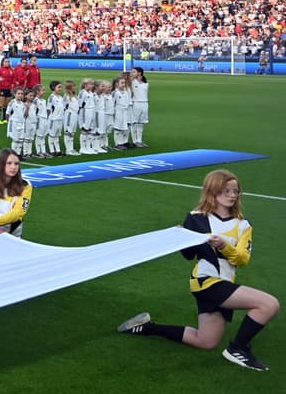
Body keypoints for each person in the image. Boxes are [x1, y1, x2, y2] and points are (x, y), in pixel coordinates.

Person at [117, 169, 279, 371]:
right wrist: (179, 237)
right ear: (213, 191)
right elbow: (188, 255)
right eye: (226, 190)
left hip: (225, 283)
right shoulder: (196, 218)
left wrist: (222, 246)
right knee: (269, 304)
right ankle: (238, 349)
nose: (231, 195)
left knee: (205, 341)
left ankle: (147, 327)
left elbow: (243, 258)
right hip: (205, 282)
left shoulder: (243, 224)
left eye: (235, 191)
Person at [129, 66, 149, 148]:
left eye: (134, 72)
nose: (132, 73)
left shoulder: (146, 83)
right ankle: (134, 141)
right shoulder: (132, 82)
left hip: (144, 103)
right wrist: (131, 77)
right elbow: (126, 81)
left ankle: (139, 140)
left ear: (139, 73)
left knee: (141, 123)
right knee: (134, 123)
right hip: (136, 103)